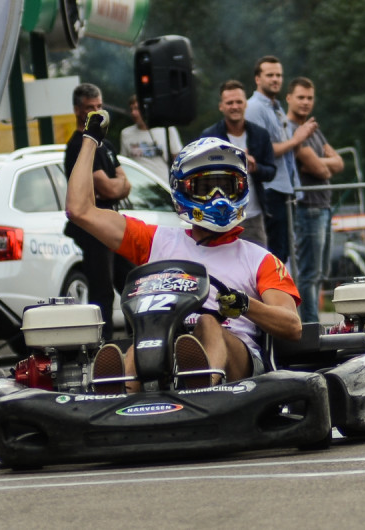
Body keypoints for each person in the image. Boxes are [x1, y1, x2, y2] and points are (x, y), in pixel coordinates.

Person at [66, 115, 302, 391]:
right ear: (184, 190)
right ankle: (121, 392)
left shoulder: (260, 259)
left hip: (239, 368)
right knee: (145, 332)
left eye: (227, 187)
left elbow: (292, 326)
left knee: (208, 323)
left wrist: (246, 306)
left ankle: (202, 385)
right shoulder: (155, 240)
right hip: (167, 348)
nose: (219, 197)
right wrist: (90, 140)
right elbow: (80, 210)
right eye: (206, 188)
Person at [64, 83, 133, 341]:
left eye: (99, 107)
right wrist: (116, 186)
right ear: (77, 110)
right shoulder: (79, 146)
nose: (96, 112)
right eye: (90, 108)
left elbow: (122, 184)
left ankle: (136, 338)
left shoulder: (107, 144)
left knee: (131, 282)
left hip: (111, 222)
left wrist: (117, 186)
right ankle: (101, 346)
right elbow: (106, 186)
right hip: (92, 227)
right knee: (101, 290)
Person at [245, 55, 318, 263]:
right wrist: (297, 139)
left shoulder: (275, 108)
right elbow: (261, 153)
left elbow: (287, 152)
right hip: (271, 190)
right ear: (258, 79)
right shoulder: (254, 108)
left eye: (278, 75)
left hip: (285, 189)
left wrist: (299, 140)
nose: (275, 79)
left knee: (285, 253)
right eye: (270, 75)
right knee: (275, 253)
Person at [286, 77, 344, 323]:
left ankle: (312, 322)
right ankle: (310, 327)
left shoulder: (314, 128)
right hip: (307, 208)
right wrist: (324, 164)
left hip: (324, 206)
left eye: (310, 98)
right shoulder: (290, 130)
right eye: (300, 97)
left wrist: (323, 163)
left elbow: (338, 163)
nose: (306, 102)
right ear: (289, 98)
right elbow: (319, 169)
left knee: (321, 272)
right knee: (309, 274)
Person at [200, 80, 276, 247]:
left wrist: (255, 167)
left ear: (245, 104)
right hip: (221, 218)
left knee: (258, 268)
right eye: (229, 103)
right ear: (221, 106)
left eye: (238, 102)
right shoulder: (209, 136)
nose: (234, 106)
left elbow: (271, 171)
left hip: (253, 216)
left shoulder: (260, 134)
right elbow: (201, 177)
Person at [120, 94, 183, 176]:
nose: (133, 113)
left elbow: (177, 158)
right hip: (137, 184)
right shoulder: (126, 133)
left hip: (162, 184)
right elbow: (124, 162)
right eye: (131, 109)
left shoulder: (167, 129)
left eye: (137, 109)